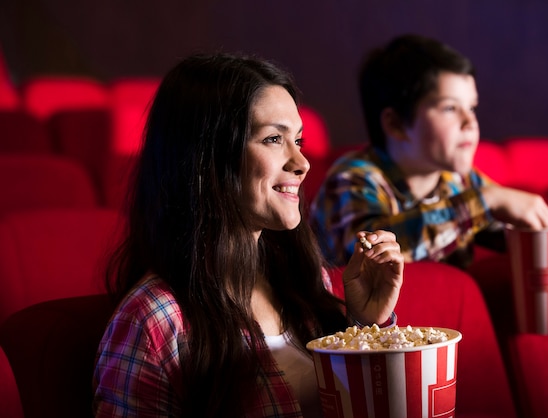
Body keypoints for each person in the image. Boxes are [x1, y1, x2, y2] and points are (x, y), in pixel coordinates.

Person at [92, 53, 404, 417]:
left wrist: (365, 327)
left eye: (298, 140)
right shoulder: (154, 321)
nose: (301, 163)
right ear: (206, 159)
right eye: (273, 139)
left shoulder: (305, 279)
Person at [310, 34, 548, 273]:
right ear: (395, 123)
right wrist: (486, 201)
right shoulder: (350, 180)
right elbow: (372, 259)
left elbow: (507, 231)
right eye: (450, 108)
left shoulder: (459, 181)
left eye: (472, 108)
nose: (470, 122)